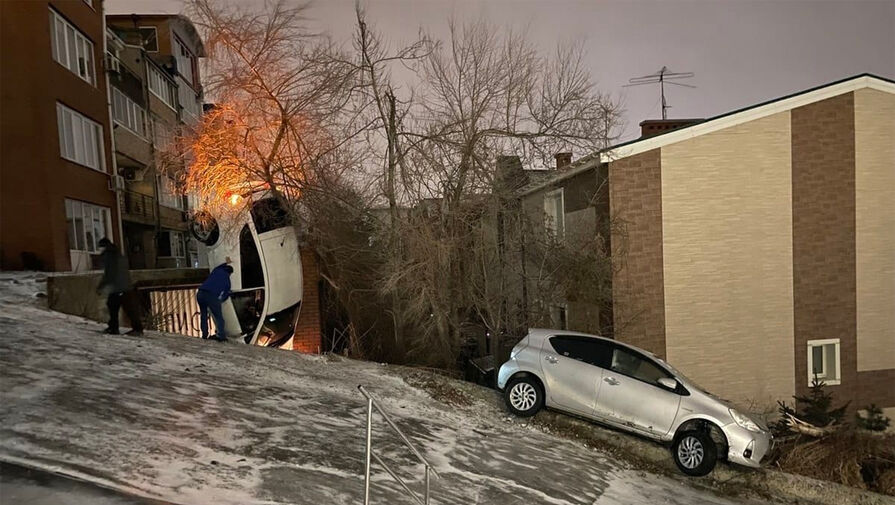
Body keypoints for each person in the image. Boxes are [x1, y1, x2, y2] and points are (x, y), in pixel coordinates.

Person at [97, 238, 143, 336]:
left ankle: (119, 328)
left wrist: (101, 286)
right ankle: (119, 328)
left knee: (116, 307)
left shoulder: (109, 256)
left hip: (118, 287)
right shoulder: (118, 254)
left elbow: (109, 274)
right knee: (124, 307)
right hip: (125, 286)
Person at [197, 262, 233, 342]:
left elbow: (219, 265)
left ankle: (204, 335)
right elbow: (226, 294)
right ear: (230, 273)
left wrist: (226, 262)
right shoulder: (227, 279)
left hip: (200, 293)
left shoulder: (216, 270)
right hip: (211, 296)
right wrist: (220, 301)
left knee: (203, 316)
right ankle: (221, 336)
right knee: (219, 317)